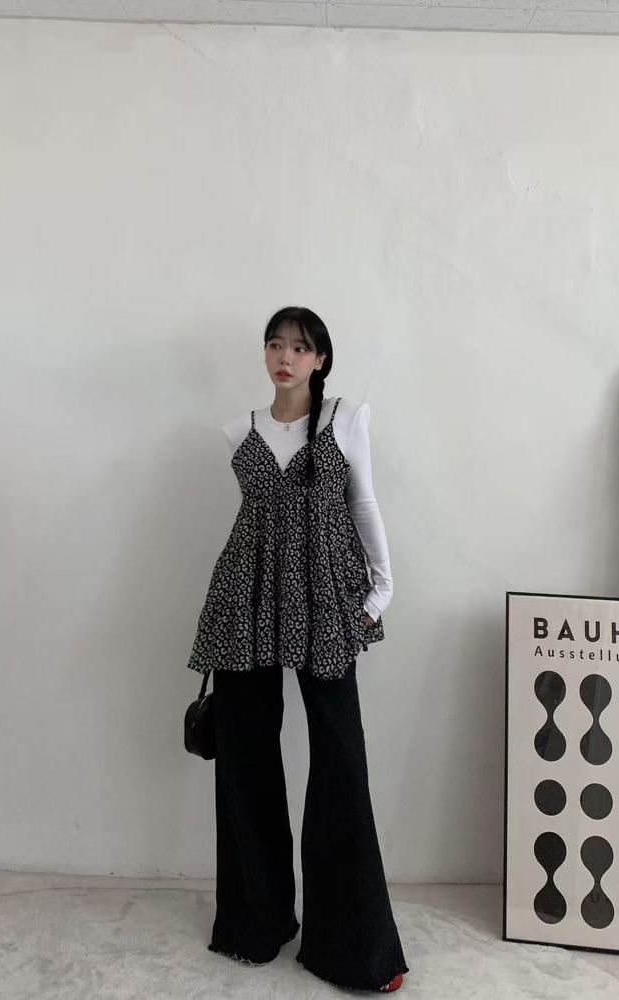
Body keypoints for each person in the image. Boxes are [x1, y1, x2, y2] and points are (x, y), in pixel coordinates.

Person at [186, 306, 409, 992]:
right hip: (246, 599)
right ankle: (254, 924)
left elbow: (363, 504)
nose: (286, 356)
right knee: (246, 761)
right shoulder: (240, 430)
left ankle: (353, 947)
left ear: (320, 360)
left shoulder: (346, 418)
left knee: (341, 761)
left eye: (301, 347)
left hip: (325, 599)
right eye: (276, 345)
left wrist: (380, 590)